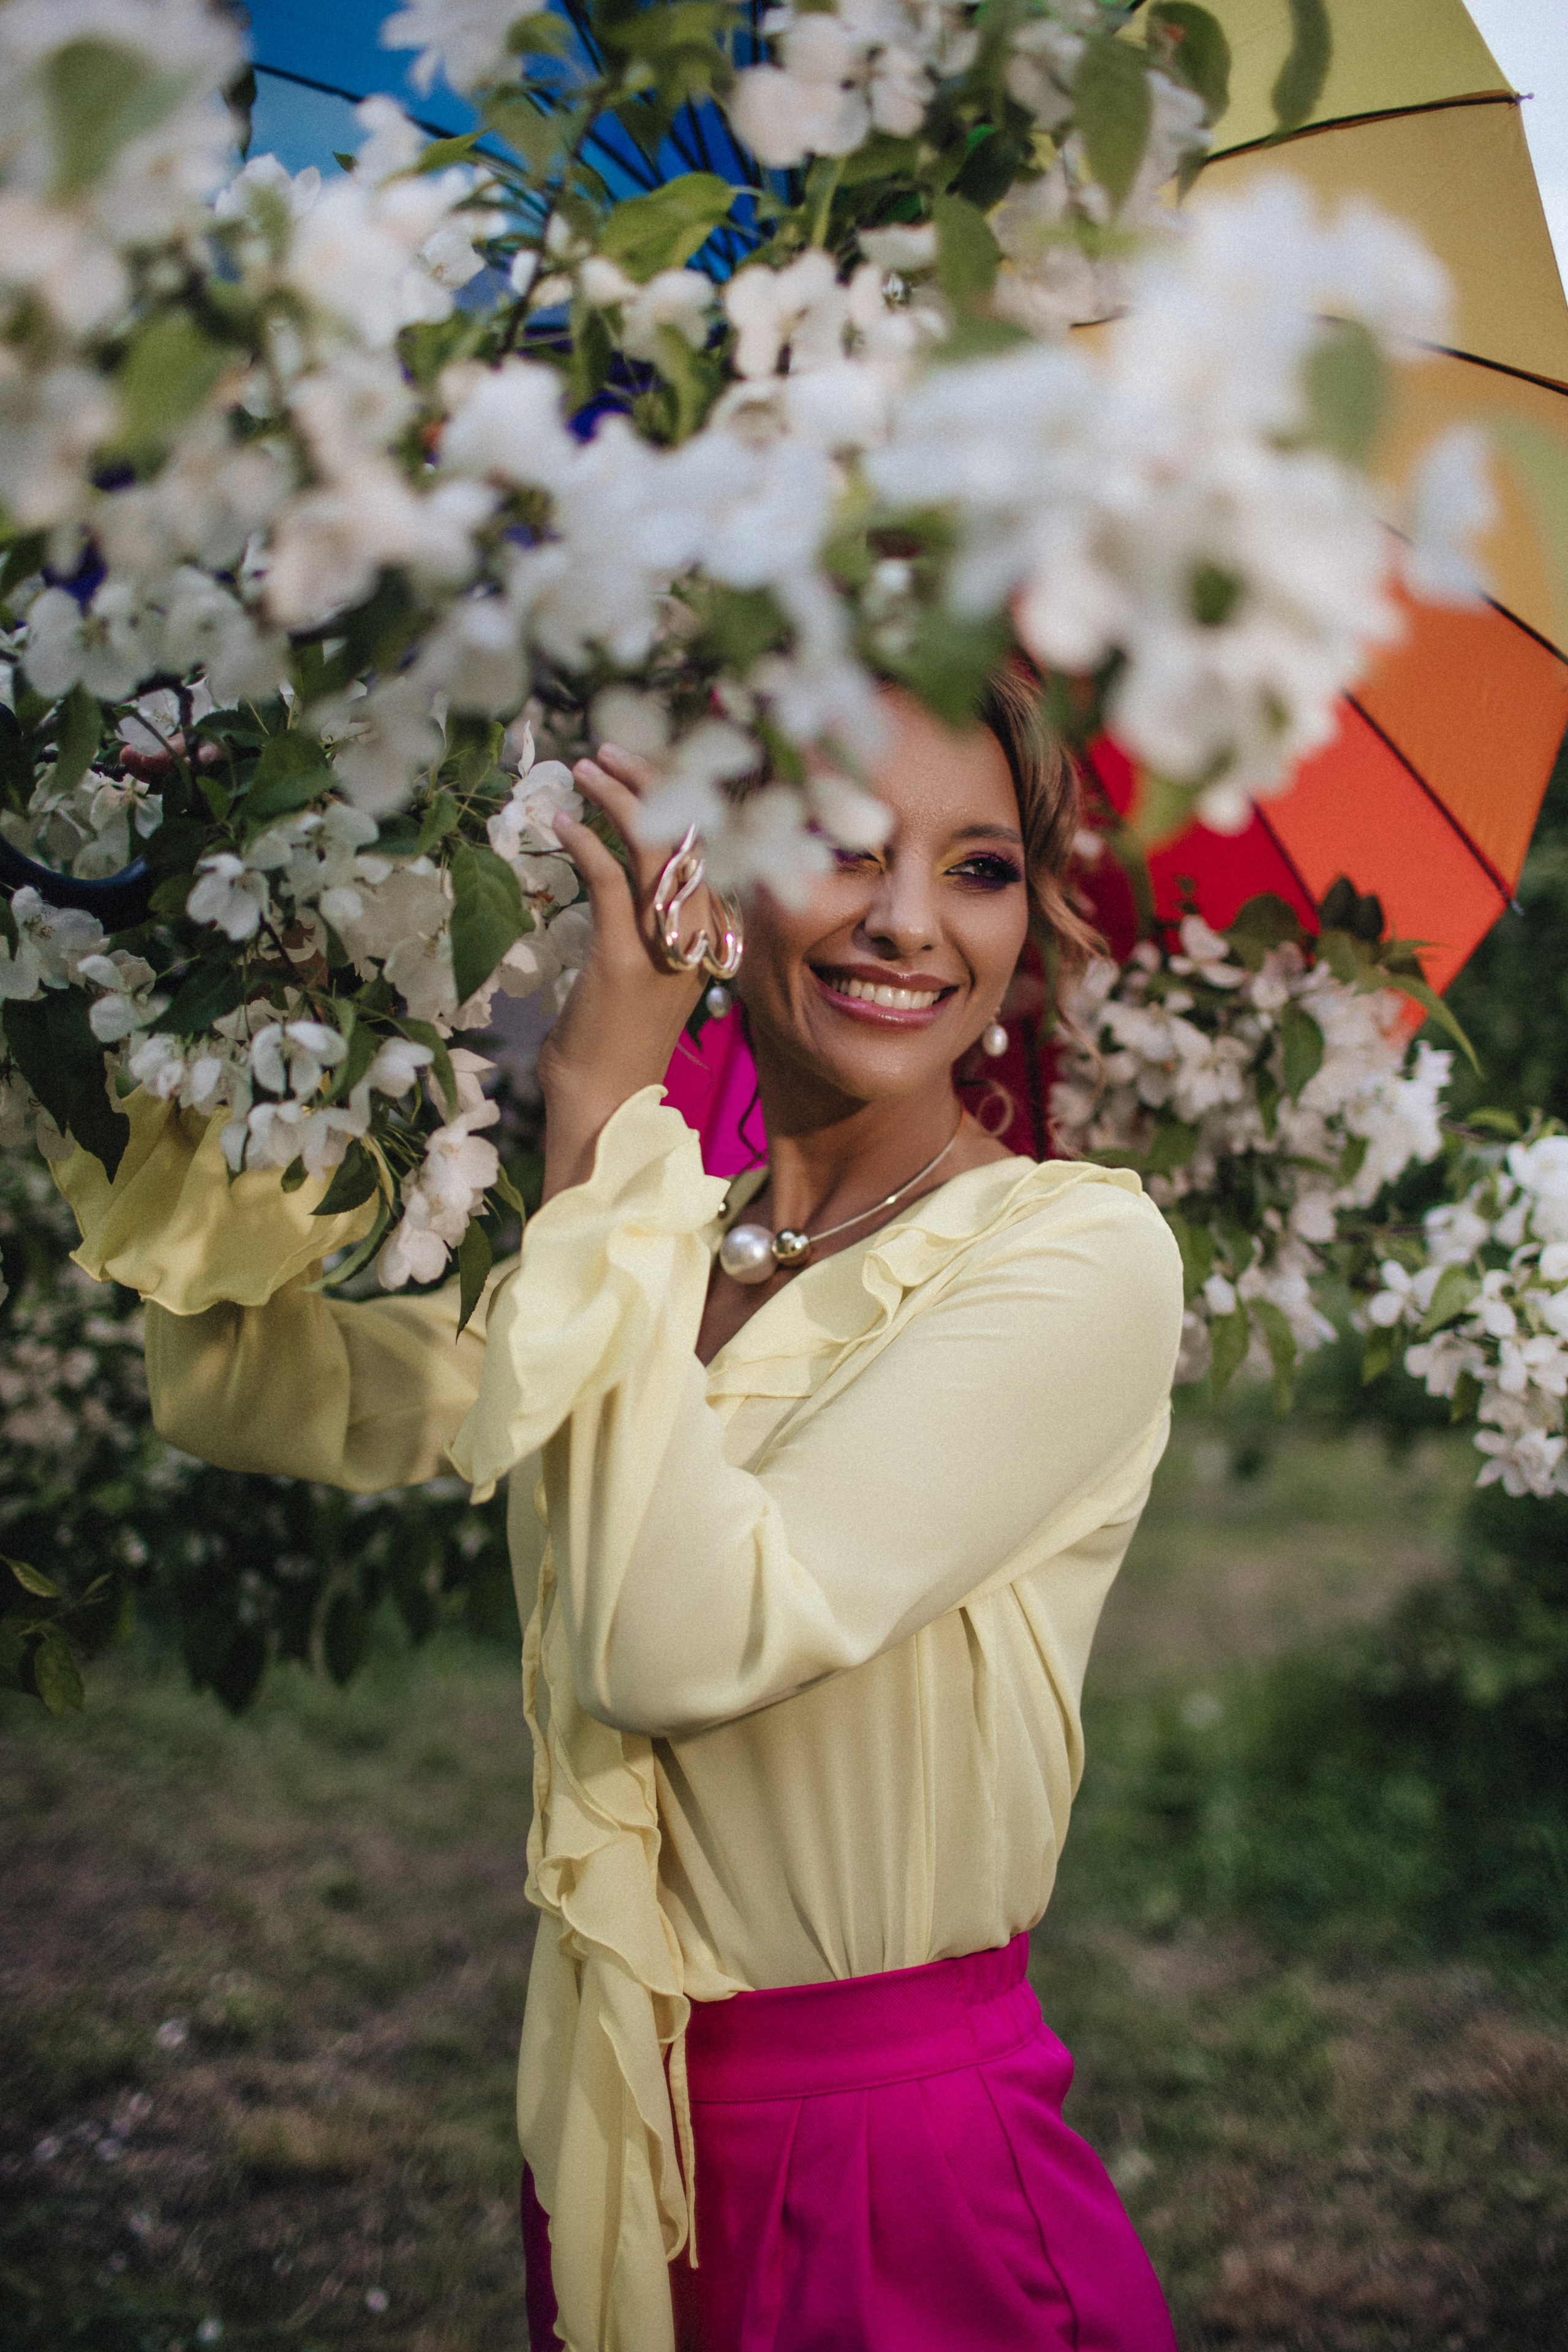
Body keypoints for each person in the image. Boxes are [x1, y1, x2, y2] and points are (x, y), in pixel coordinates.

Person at [57, 673, 1184, 2352]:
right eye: (840, 846)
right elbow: (251, 1380)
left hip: (899, 2165)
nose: (908, 924)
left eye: (979, 867)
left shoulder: (1074, 1254)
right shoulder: (666, 1236)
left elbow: (680, 1642)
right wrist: (261, 954)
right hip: (614, 2131)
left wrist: (601, 1105)